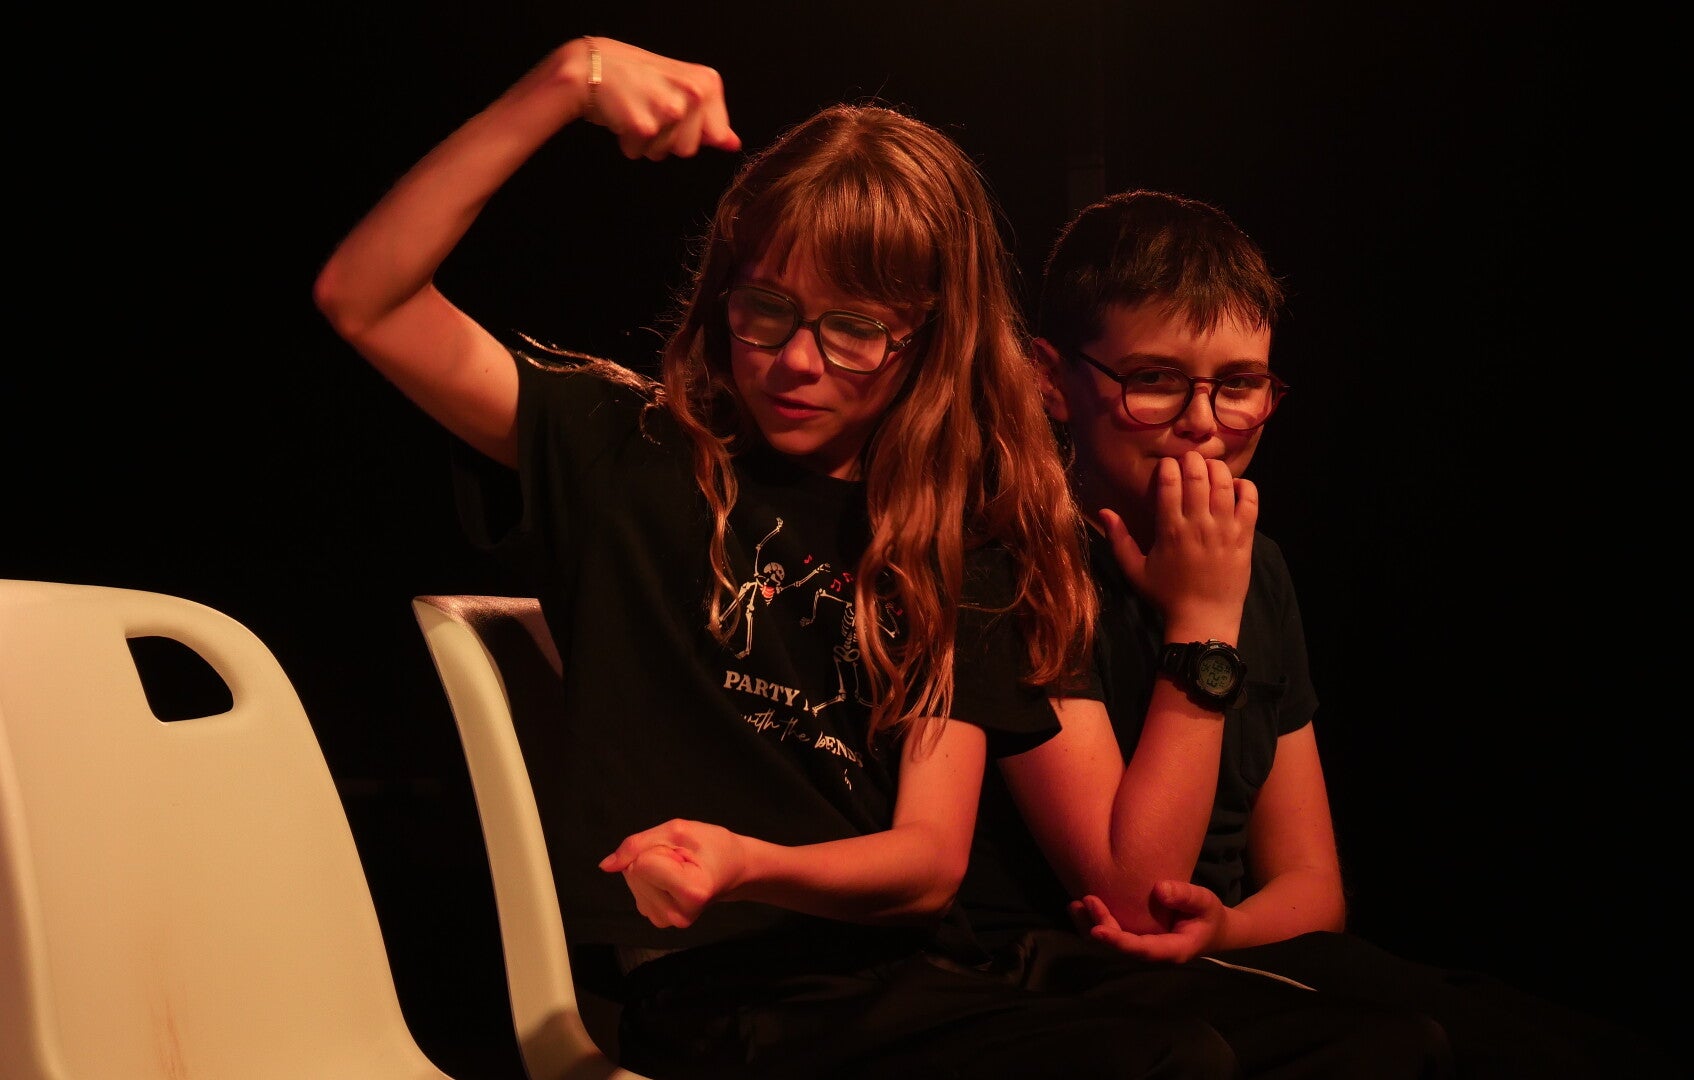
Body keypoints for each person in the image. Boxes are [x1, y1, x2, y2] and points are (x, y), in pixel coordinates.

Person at [313, 35, 1450, 1080]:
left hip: (911, 972)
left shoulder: (949, 535)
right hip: (725, 991)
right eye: (766, 310)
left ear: (925, 341)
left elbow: (927, 863)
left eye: (853, 329)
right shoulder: (631, 452)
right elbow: (365, 298)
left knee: (1375, 1045)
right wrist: (565, 82)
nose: (796, 361)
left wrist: (755, 860)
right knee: (1162, 1063)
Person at [960, 188, 1692, 1079]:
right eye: (1154, 380)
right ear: (1051, 380)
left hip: (1235, 955)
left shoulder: (1256, 566)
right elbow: (1132, 898)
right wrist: (1203, 618)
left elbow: (1312, 888)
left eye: (1238, 386)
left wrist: (1227, 927)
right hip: (1075, 980)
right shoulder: (1015, 564)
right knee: (1393, 1050)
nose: (1204, 422)